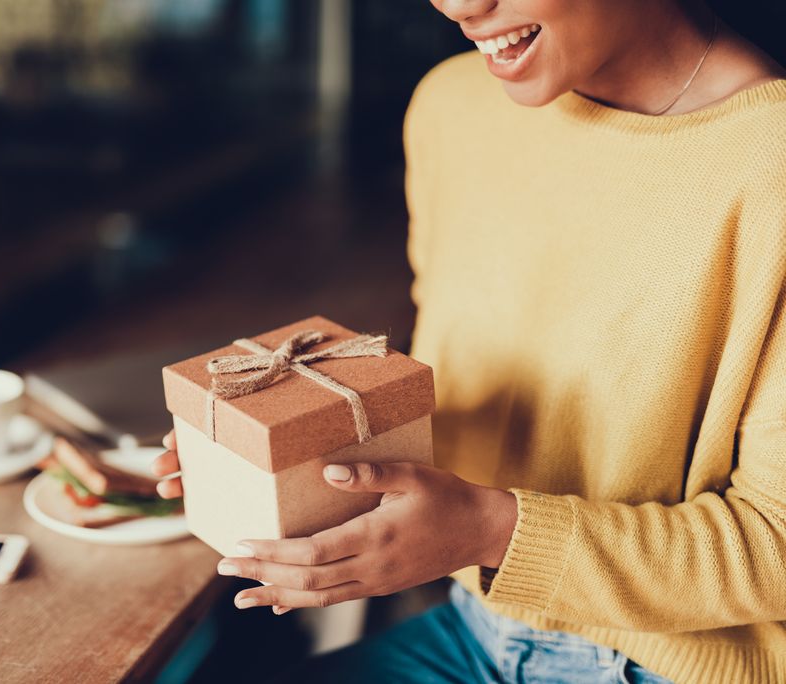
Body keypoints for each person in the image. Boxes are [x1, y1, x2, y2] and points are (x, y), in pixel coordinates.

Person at [152, 0, 786, 681]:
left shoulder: (768, 162)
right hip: (473, 628)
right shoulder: (451, 106)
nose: (459, 5)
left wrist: (488, 530)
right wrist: (282, 457)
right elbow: (454, 399)